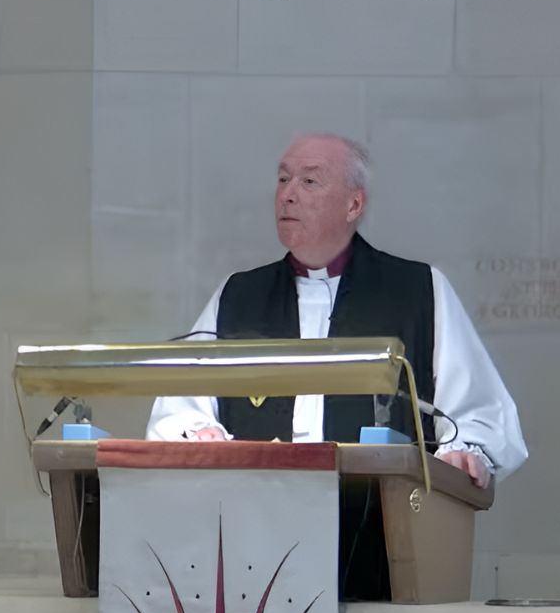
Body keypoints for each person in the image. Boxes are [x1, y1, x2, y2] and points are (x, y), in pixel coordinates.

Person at [146, 134, 527, 489]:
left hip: (376, 514)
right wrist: (198, 432)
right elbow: (179, 408)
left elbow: (480, 414)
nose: (287, 195)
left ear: (353, 204)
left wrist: (464, 451)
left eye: (309, 182)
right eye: (283, 179)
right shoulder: (238, 295)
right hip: (257, 511)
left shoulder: (418, 290)